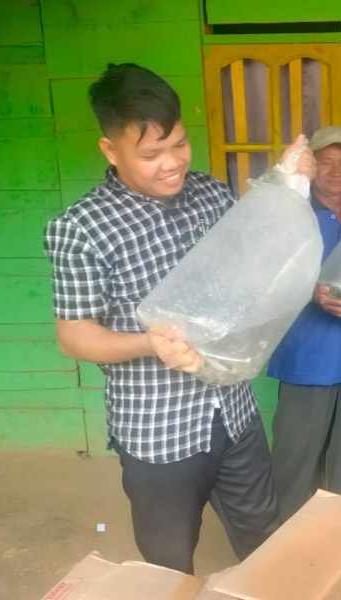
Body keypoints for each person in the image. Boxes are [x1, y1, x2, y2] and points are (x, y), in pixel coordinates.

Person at [43, 63, 315, 574]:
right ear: (110, 150)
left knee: (265, 537)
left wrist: (286, 187)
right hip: (158, 429)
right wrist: (149, 343)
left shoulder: (210, 194)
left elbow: (253, 266)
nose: (172, 164)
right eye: (151, 155)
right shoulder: (81, 229)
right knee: (168, 564)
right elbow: (75, 334)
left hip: (234, 410)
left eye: (179, 144)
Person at [266, 126, 341, 520]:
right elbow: (267, 278)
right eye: (326, 161)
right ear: (311, 167)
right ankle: (289, 535)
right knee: (295, 457)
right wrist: (310, 290)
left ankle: (339, 533)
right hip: (306, 355)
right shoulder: (290, 215)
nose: (335, 170)